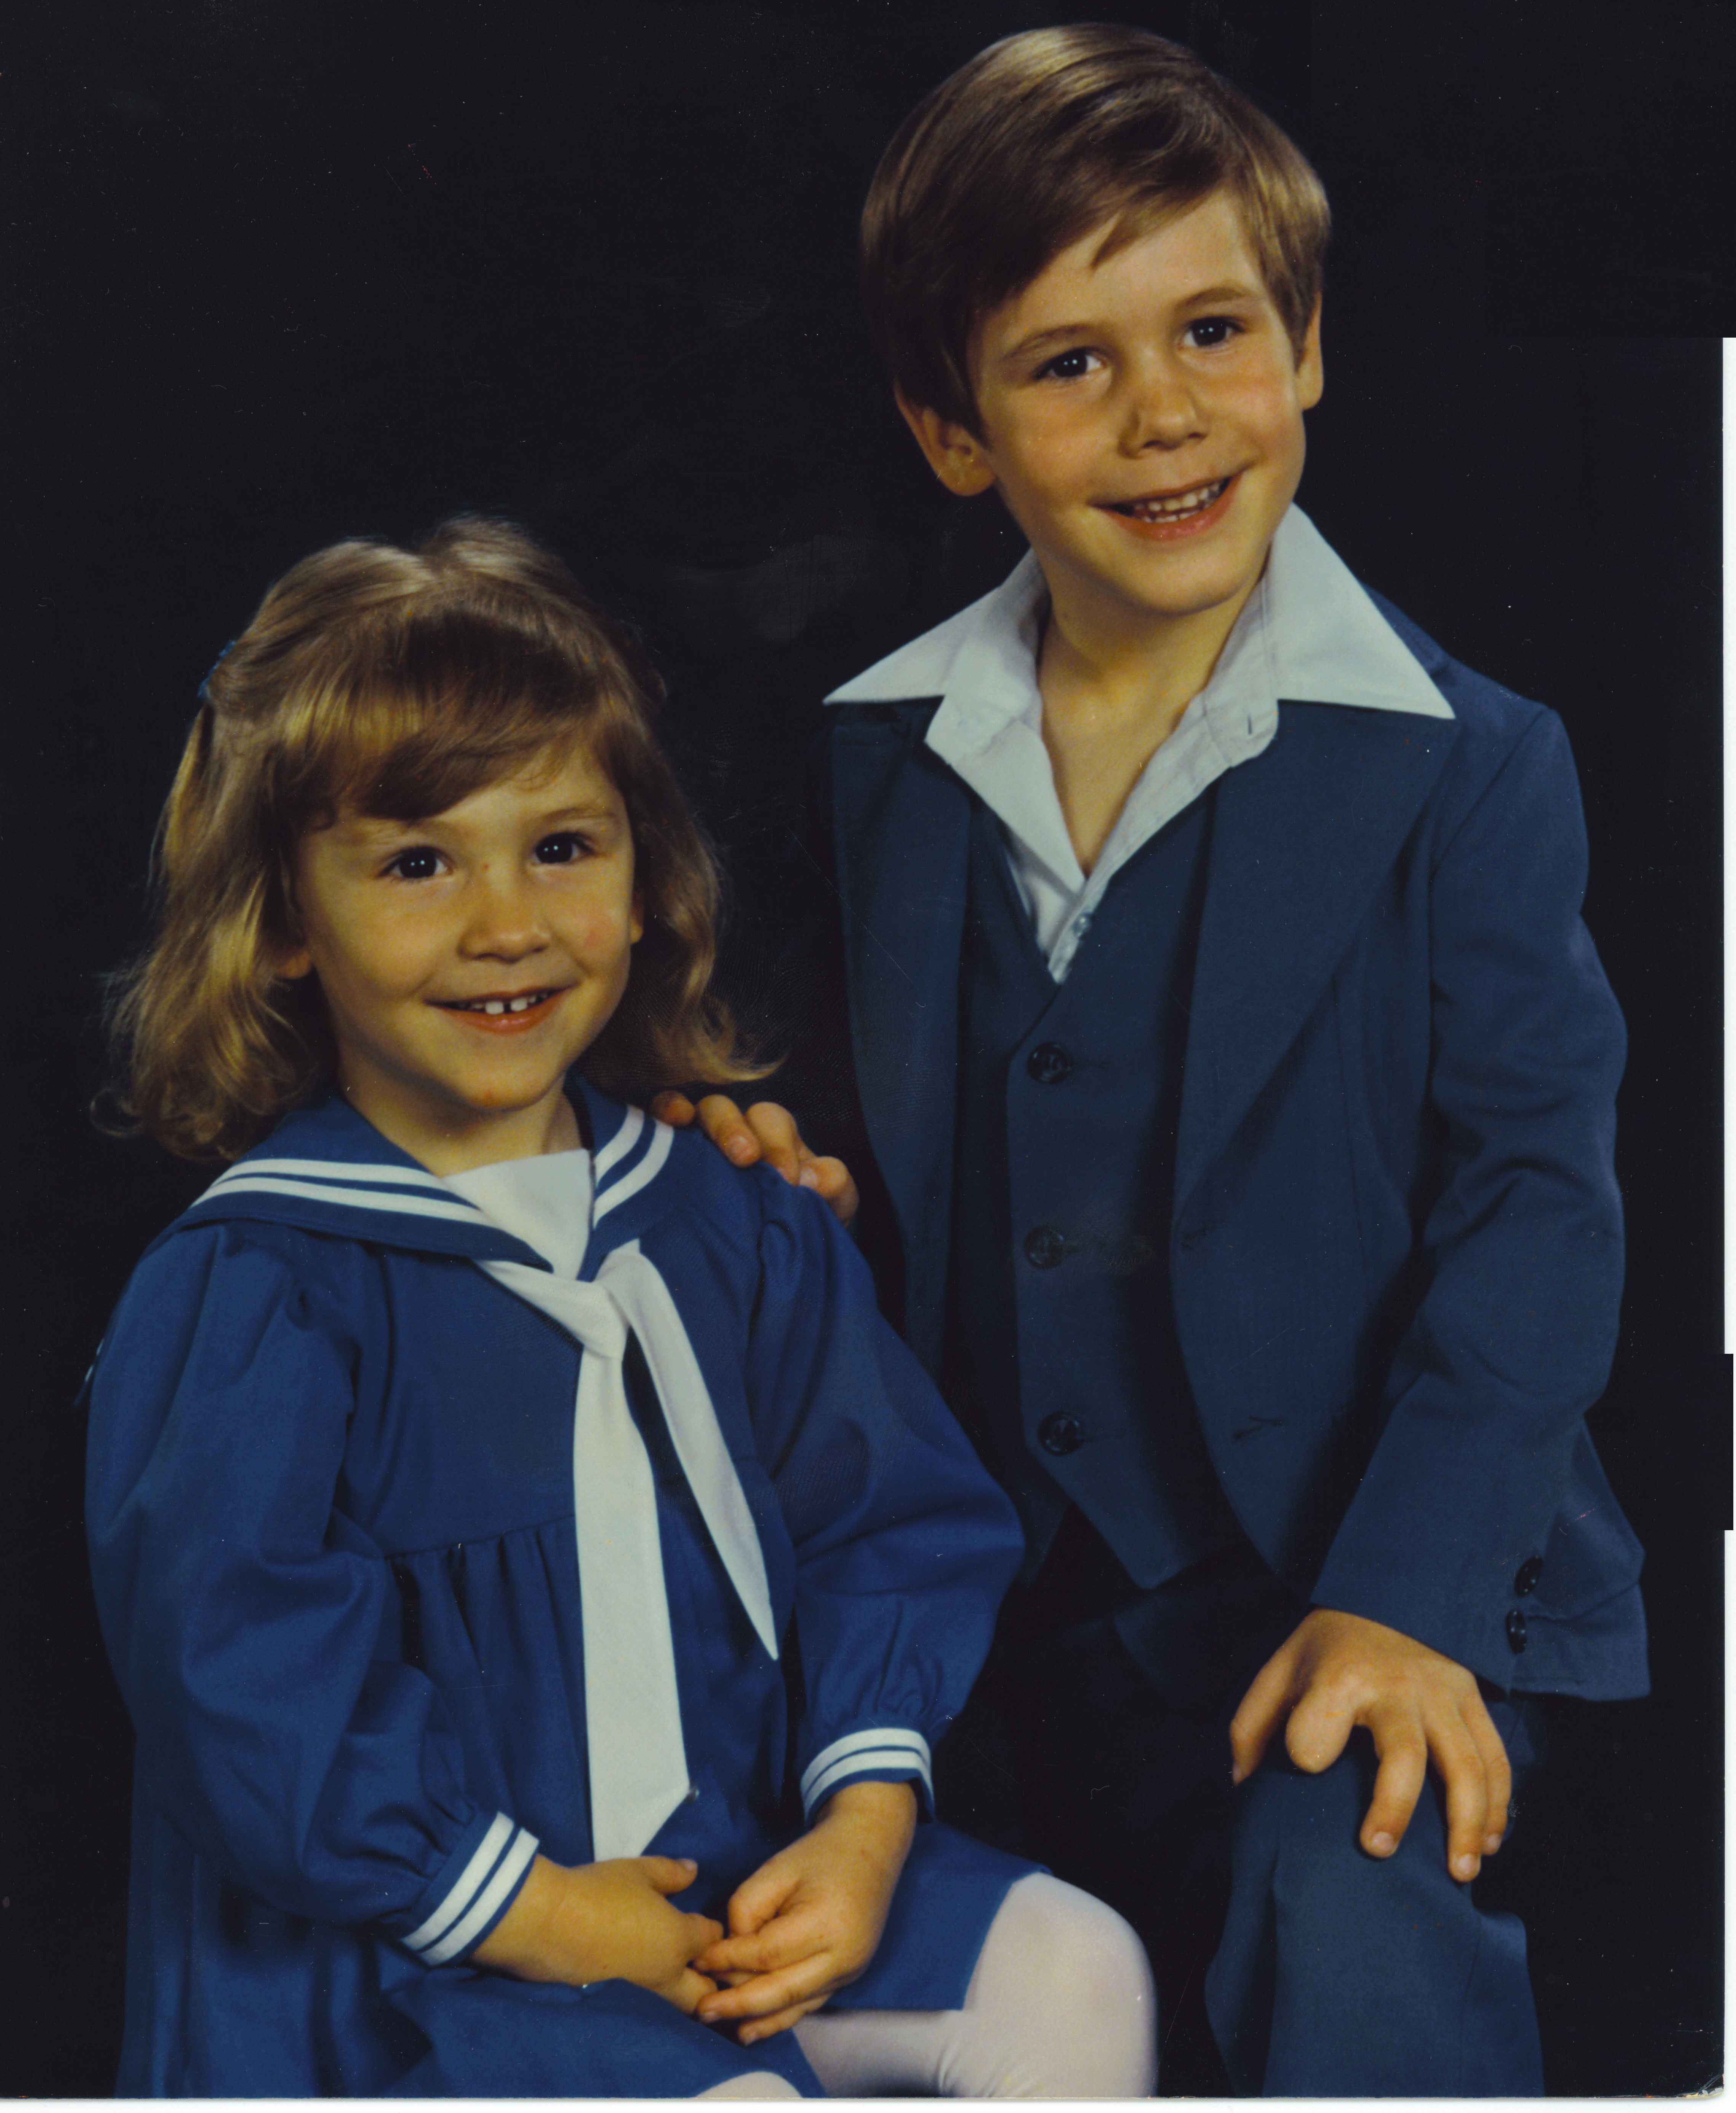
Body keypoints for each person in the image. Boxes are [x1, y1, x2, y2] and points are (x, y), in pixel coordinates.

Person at [660, 25, 1648, 2097]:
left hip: (1360, 1567)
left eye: (1212, 330)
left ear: (1307, 348)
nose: (1164, 412)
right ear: (954, 434)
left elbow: (1536, 1207)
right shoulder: (869, 759)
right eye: (1067, 363)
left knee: (1344, 1901)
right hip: (993, 1604)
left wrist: (1405, 1601)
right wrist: (765, 1143)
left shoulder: (1471, 765)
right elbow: (850, 1121)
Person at [84, 518, 1155, 2099]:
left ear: (647, 879)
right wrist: (540, 1912)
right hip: (406, 1957)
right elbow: (240, 1683)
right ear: (288, 918)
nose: (507, 923)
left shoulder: (738, 1220)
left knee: (1075, 1966)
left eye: (565, 847)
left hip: (727, 1869)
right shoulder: (262, 1287)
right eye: (419, 861)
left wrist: (860, 1832)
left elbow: (887, 1524)